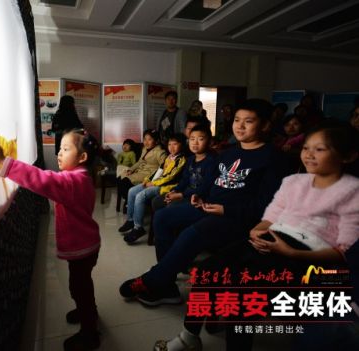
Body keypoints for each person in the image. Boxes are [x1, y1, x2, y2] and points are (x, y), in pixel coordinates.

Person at [153, 123, 359, 351]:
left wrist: (291, 252)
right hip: (270, 240)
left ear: (348, 156)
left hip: (306, 257)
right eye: (306, 148)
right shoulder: (294, 182)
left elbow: (345, 250)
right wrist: (257, 229)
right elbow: (272, 213)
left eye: (320, 149)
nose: (308, 155)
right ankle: (189, 336)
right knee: (205, 272)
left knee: (240, 293)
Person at [119, 99, 289, 307]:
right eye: (237, 120)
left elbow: (266, 205)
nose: (240, 126)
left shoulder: (274, 158)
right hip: (209, 207)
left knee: (191, 233)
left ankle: (153, 280)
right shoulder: (229, 153)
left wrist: (225, 209)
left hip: (237, 217)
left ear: (265, 125)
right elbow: (209, 184)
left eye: (248, 121)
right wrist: (198, 196)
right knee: (162, 217)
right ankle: (167, 285)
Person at [0, 129, 101, 351]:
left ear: (82, 158)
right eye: (59, 149)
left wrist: (6, 164)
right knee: (81, 285)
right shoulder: (81, 176)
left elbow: (42, 179)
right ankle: (87, 310)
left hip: (82, 247)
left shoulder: (72, 181)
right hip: (86, 244)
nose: (59, 154)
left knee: (79, 287)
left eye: (66, 149)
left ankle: (90, 332)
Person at [118, 133, 187, 244]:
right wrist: (147, 180)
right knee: (132, 191)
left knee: (141, 195)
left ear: (182, 145)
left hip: (166, 187)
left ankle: (138, 227)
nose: (172, 147)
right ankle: (130, 220)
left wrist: (154, 183)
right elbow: (158, 171)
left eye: (175, 144)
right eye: (170, 144)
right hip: (157, 182)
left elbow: (170, 177)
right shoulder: (169, 157)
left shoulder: (181, 159)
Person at [152, 125, 217, 212]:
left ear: (209, 142)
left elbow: (205, 188)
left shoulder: (211, 161)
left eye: (200, 139)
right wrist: (174, 191)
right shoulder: (190, 160)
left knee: (169, 208)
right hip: (185, 193)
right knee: (157, 201)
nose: (195, 143)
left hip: (197, 197)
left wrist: (180, 195)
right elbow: (184, 180)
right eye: (192, 139)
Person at [116, 129, 166, 210]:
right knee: (120, 178)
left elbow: (163, 167)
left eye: (149, 139)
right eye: (145, 139)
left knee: (125, 181)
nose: (146, 142)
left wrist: (154, 180)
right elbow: (139, 161)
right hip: (140, 171)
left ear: (156, 140)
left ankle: (130, 204)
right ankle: (129, 201)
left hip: (148, 174)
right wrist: (131, 169)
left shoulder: (160, 151)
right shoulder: (144, 149)